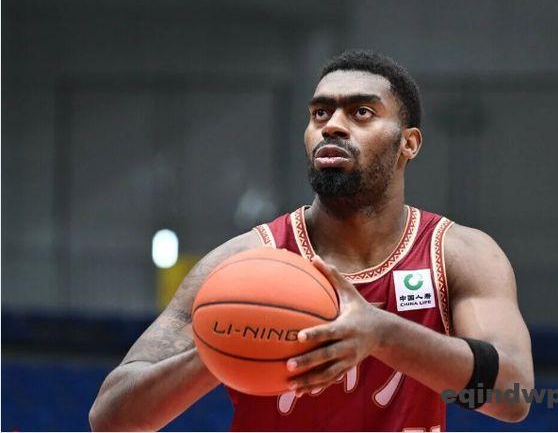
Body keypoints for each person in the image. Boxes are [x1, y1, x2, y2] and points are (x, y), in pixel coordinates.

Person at [89, 50, 534, 431]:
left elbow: (513, 396)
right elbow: (110, 418)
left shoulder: (458, 254)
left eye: (361, 112)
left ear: (409, 143)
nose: (332, 126)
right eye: (321, 113)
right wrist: (221, 347)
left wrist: (382, 334)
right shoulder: (245, 264)